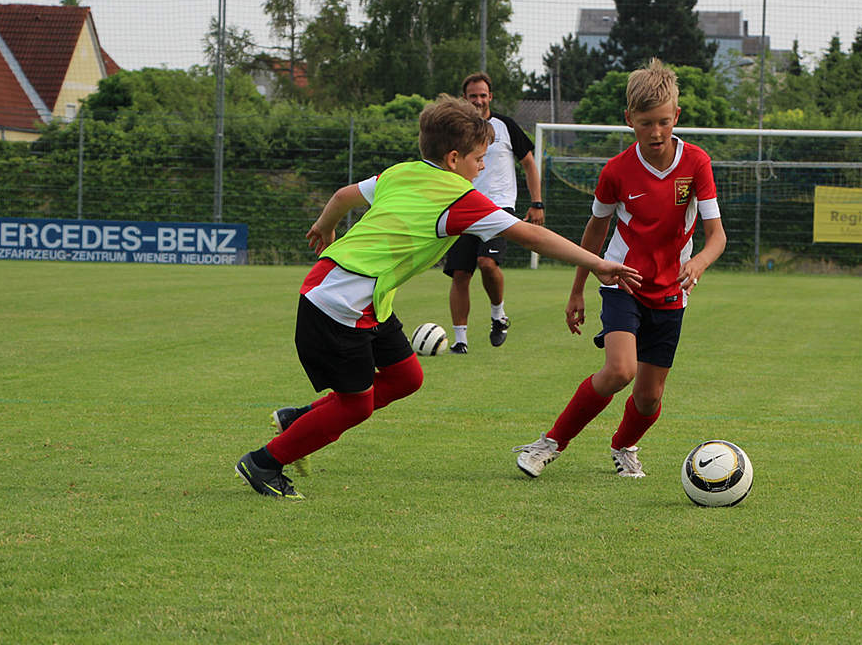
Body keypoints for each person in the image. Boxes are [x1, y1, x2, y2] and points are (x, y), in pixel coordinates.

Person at [236, 95, 641, 500]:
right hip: (341, 305)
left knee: (406, 377)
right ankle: (264, 462)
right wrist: (599, 263)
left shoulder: (402, 172)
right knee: (354, 406)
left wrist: (325, 228)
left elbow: (344, 196)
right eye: (479, 158)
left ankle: (297, 419)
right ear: (452, 159)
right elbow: (531, 234)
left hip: (352, 292)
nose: (483, 166)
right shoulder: (458, 199)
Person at [511, 58, 726, 480]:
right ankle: (549, 444)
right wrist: (577, 289)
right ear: (630, 119)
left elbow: (717, 235)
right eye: (646, 123)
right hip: (621, 282)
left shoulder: (697, 163)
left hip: (670, 293)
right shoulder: (615, 171)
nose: (657, 132)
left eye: (664, 121)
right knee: (620, 370)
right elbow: (595, 231)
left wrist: (698, 262)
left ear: (676, 116)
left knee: (648, 399)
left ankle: (624, 446)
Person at [440, 72, 544, 354]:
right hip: (462, 206)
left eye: (483, 95)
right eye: (473, 95)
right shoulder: (455, 131)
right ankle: (460, 340)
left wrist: (537, 203)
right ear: (465, 98)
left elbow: (529, 164)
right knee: (460, 273)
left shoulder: (505, 126)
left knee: (487, 263)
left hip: (498, 207)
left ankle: (498, 315)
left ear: (490, 97)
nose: (478, 100)